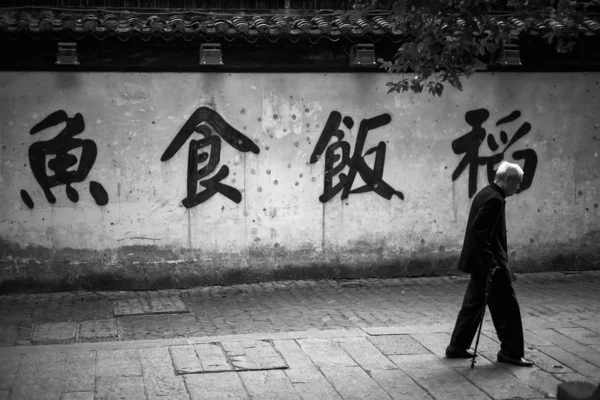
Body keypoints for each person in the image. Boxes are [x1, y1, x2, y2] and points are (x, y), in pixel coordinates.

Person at [445, 160, 533, 367]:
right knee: (507, 309)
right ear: (509, 180)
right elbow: (479, 233)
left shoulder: (486, 192)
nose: (518, 187)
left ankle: (457, 347)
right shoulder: (494, 199)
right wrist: (492, 262)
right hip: (490, 265)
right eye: (517, 183)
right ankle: (511, 353)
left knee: (473, 306)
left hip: (479, 263)